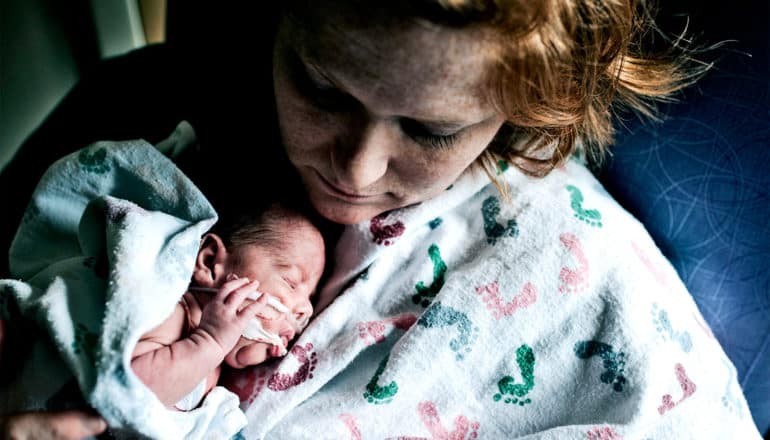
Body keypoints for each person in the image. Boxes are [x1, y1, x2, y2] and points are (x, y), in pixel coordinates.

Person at [0, 0, 763, 438]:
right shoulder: (146, 160)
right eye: (323, 90)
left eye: (431, 132)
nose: (356, 172)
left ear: (523, 109)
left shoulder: (581, 265)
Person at [131, 203, 325, 410]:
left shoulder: (217, 368)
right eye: (291, 282)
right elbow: (128, 393)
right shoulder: (174, 315)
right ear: (211, 261)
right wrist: (210, 341)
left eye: (310, 298)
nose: (307, 309)